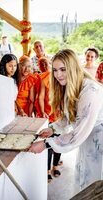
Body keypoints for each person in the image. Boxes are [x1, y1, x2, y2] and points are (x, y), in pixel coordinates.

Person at [29, 49, 103, 195]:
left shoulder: (91, 91)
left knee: (96, 183)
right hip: (88, 139)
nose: (58, 75)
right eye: (55, 70)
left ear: (73, 67)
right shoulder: (71, 85)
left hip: (99, 141)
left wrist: (46, 144)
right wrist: (53, 129)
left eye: (63, 69)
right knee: (85, 180)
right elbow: (70, 115)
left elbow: (80, 130)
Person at [37, 56, 61, 183]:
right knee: (49, 144)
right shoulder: (45, 78)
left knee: (59, 141)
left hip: (60, 116)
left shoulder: (62, 78)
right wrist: (42, 111)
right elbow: (41, 97)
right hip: (48, 115)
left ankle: (55, 166)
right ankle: (46, 171)